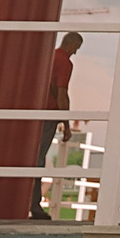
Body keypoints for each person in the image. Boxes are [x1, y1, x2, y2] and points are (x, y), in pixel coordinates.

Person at [34, 31, 80, 221]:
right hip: (49, 114)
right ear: (72, 45)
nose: (76, 52)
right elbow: (62, 93)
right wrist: (66, 124)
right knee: (38, 159)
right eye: (76, 48)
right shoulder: (65, 63)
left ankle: (30, 203)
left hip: (35, 111)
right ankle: (34, 206)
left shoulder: (49, 57)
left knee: (33, 157)